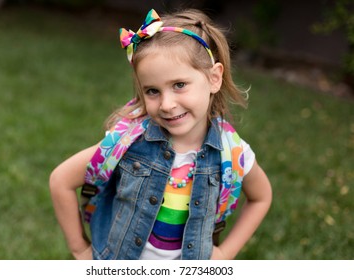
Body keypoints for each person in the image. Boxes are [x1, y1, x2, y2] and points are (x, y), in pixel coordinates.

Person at [49, 8, 272, 260]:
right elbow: (61, 180)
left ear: (214, 78)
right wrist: (79, 248)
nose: (166, 104)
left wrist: (225, 253)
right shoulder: (129, 142)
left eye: (179, 85)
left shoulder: (232, 153)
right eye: (153, 91)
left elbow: (261, 197)